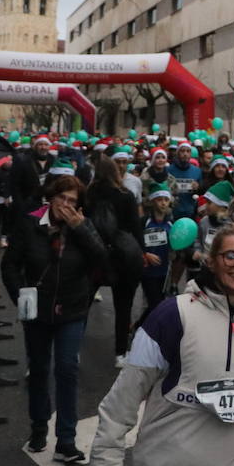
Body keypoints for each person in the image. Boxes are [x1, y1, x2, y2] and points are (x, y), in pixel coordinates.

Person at [91, 224, 234, 466]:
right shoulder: (171, 315)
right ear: (211, 262)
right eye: (230, 255)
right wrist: (107, 454)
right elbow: (129, 389)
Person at [2, 173, 109, 463]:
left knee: (66, 369)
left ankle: (66, 439)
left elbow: (101, 260)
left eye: (72, 201)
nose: (66, 204)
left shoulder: (82, 226)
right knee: (38, 370)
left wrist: (81, 228)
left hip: (73, 310)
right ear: (51, 197)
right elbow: (10, 266)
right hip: (37, 311)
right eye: (62, 197)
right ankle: (38, 428)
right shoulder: (31, 224)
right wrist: (20, 298)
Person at [87, 155, 144, 367]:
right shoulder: (125, 195)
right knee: (124, 306)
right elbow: (135, 227)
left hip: (94, 253)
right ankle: (120, 353)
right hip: (123, 256)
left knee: (83, 303)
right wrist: (142, 252)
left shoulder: (89, 194)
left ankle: (74, 350)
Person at [135, 183, 173, 331]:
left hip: (164, 271)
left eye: (166, 199)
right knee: (155, 304)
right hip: (147, 272)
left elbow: (175, 243)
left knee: (158, 303)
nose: (163, 203)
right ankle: (140, 328)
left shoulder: (171, 222)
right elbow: (135, 242)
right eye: (159, 199)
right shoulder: (144, 221)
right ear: (152, 201)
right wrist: (145, 254)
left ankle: (141, 328)